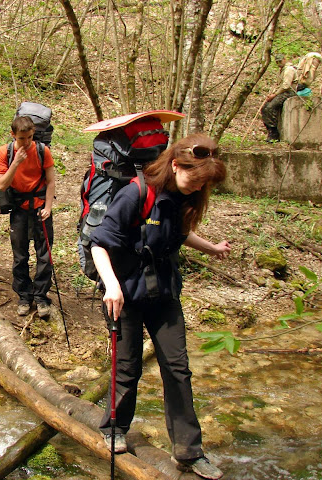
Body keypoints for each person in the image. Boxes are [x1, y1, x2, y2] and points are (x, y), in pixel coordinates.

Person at [91, 133, 229, 480]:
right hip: (124, 294)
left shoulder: (185, 197)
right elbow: (99, 244)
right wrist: (110, 286)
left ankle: (188, 451)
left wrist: (212, 248)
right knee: (128, 367)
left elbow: (178, 234)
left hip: (164, 294)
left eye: (203, 184)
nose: (197, 189)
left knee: (178, 369)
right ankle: (114, 428)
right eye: (193, 180)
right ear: (174, 165)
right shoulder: (136, 193)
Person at [0, 116, 56, 318]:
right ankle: (23, 296)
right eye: (22, 138)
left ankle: (41, 297)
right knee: (20, 255)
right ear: (13, 135)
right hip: (19, 208)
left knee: (44, 255)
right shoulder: (5, 153)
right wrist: (16, 162)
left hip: (40, 207)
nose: (27, 142)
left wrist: (48, 207)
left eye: (30, 137)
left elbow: (51, 181)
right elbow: (2, 184)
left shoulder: (42, 151)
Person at [261, 54, 298, 143]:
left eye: (280, 61)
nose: (279, 63)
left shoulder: (289, 69)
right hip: (281, 92)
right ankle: (270, 130)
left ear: (284, 60)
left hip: (289, 92)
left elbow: (286, 86)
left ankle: (274, 133)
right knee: (264, 108)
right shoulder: (281, 71)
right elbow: (278, 85)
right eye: (277, 62)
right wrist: (272, 94)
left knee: (270, 107)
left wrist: (275, 95)